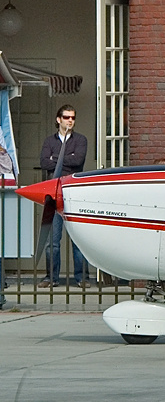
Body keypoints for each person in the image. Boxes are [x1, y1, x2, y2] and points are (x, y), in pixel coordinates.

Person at [39, 104, 89, 288]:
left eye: (73, 118)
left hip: (74, 193)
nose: (70, 121)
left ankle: (82, 278)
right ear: (58, 119)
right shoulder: (48, 141)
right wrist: (64, 158)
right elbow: (43, 162)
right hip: (53, 193)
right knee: (53, 240)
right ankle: (51, 277)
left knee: (78, 240)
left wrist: (56, 159)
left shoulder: (81, 140)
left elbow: (78, 161)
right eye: (67, 117)